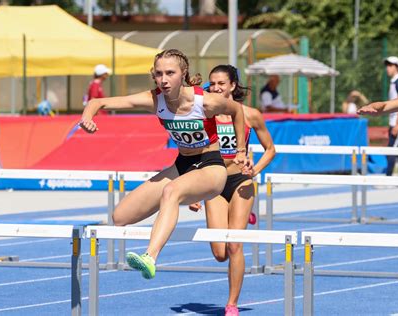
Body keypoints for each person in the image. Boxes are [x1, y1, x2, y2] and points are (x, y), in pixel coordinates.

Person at [79, 49, 249, 281]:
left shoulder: (205, 101)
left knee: (171, 191)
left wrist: (240, 150)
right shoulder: (154, 99)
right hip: (182, 164)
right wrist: (87, 117)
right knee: (120, 217)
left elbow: (237, 110)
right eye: (159, 74)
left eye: (170, 73)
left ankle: (150, 256)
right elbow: (98, 101)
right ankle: (162, 219)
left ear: (183, 74)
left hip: (212, 166)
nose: (164, 80)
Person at [189, 65, 275, 316]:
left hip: (241, 182)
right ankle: (239, 216)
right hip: (214, 183)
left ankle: (232, 304)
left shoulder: (250, 114)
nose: (215, 88)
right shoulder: (204, 115)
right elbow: (193, 153)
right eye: (212, 83)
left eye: (221, 84)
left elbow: (270, 149)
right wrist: (195, 190)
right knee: (219, 253)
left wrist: (254, 169)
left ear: (233, 86)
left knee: (235, 245)